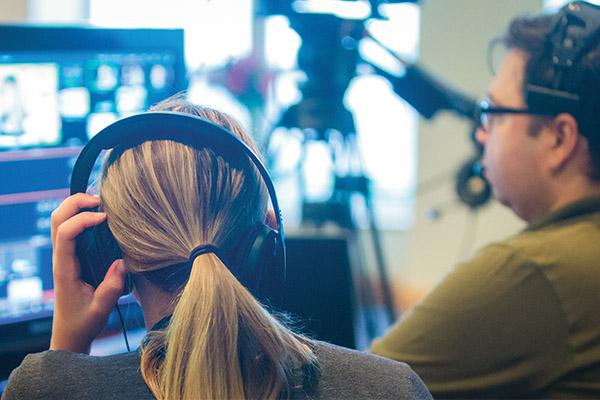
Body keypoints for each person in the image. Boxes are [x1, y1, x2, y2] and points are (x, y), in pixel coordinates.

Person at [2, 96, 431, 400]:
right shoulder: (392, 389)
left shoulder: (44, 390)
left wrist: (63, 355)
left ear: (107, 251)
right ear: (267, 239)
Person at [370, 2, 600, 398]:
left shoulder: (536, 272)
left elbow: (350, 388)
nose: (481, 134)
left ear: (560, 138)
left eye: (492, 112)